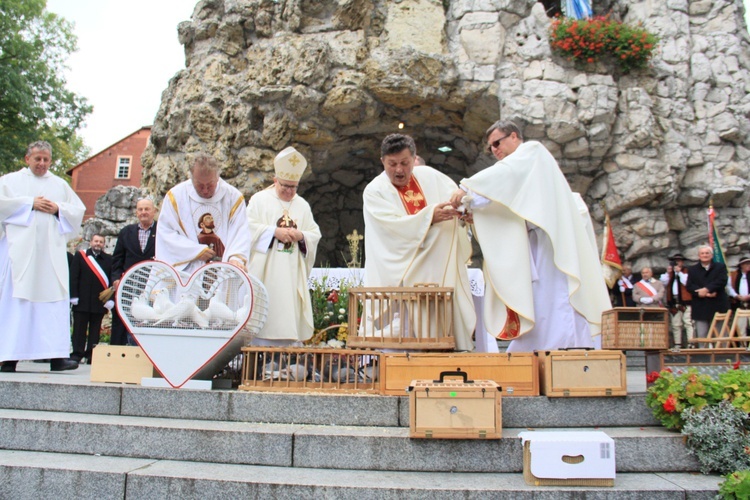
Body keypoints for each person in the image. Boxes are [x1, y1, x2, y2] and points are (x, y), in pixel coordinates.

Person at [450, 120, 611, 352]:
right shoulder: (520, 172)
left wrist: (467, 191)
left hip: (551, 244)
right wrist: (476, 214)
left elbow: (503, 177)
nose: (494, 150)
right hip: (535, 243)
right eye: (490, 148)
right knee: (540, 300)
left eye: (497, 142)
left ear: (514, 136)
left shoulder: (532, 153)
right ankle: (538, 350)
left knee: (554, 299)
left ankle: (561, 351)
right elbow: (507, 208)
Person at [363, 134, 475, 351]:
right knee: (405, 337)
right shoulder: (375, 191)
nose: (399, 170)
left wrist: (464, 212)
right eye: (392, 164)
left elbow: (457, 200)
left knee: (439, 322)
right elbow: (390, 229)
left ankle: (444, 352)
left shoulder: (431, 177)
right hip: (402, 273)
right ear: (382, 161)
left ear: (414, 159)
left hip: (437, 269)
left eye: (405, 163)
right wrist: (429, 217)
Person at [0, 141, 85, 372]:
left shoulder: (59, 185)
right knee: (17, 302)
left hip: (50, 255)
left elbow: (78, 210)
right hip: (19, 253)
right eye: (37, 158)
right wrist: (29, 203)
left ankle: (56, 356)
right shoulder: (9, 181)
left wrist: (58, 209)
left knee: (53, 302)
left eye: (46, 159)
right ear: (27, 159)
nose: (42, 163)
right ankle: (9, 357)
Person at [246, 147, 321, 345]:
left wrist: (300, 235)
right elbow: (247, 229)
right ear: (275, 180)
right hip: (266, 271)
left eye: (293, 187)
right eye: (285, 186)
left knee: (288, 309)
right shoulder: (259, 200)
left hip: (291, 272)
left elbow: (314, 234)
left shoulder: (302, 205)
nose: (289, 191)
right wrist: (273, 232)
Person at [156, 153, 251, 274]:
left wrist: (235, 258)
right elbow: (166, 233)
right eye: (200, 185)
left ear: (217, 178)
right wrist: (195, 251)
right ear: (191, 178)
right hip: (187, 273)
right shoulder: (176, 196)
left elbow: (240, 232)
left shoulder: (233, 198)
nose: (205, 190)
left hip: (221, 273)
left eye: (210, 185)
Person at [110, 197, 158, 345]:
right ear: (136, 212)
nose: (143, 212)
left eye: (147, 209)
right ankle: (117, 353)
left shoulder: (162, 232)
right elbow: (117, 259)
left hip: (153, 286)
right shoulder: (126, 232)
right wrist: (116, 278)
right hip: (129, 285)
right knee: (122, 320)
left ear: (154, 211)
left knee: (150, 320)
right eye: (140, 209)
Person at [70, 234, 113, 363]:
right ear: (91, 242)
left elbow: (111, 280)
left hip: (98, 301)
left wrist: (110, 299)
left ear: (104, 244)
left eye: (101, 241)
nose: (98, 243)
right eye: (96, 241)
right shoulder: (81, 256)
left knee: (95, 329)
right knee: (79, 329)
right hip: (81, 300)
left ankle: (91, 355)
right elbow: (74, 277)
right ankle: (77, 354)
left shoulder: (109, 259)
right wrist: (73, 296)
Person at [687, 245, 729, 339]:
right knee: (702, 335)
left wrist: (707, 289)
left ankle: (723, 353)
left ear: (711, 255)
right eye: (702, 253)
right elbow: (690, 286)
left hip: (718, 305)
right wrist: (702, 293)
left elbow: (721, 281)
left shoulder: (720, 267)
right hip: (701, 306)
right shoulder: (692, 269)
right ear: (699, 255)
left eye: (707, 253)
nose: (705, 255)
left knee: (721, 335)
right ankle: (703, 353)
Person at [662, 253, 693, 350]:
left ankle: (691, 343)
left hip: (685, 301)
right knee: (676, 324)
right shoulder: (670, 274)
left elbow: (687, 282)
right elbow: (663, 282)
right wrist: (668, 272)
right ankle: (677, 344)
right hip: (673, 301)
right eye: (675, 261)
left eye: (679, 261)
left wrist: (679, 272)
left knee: (688, 322)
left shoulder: (687, 272)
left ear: (682, 262)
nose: (677, 263)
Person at [728, 256, 750, 336]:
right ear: (741, 265)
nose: (749, 265)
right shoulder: (734, 275)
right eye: (747, 264)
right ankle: (742, 345)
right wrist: (736, 296)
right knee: (741, 327)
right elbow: (729, 287)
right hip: (739, 305)